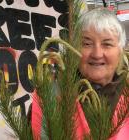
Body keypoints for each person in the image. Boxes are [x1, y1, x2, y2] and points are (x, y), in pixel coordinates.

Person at [30, 8, 129, 140]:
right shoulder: (51, 94)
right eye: (87, 43)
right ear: (74, 47)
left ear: (121, 50)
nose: (97, 54)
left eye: (107, 44)